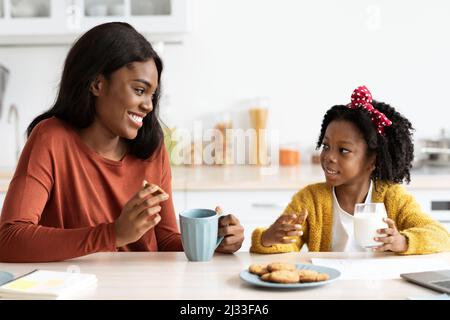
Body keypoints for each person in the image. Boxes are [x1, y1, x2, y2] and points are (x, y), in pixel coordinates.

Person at [0, 22, 244, 262]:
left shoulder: (151, 145)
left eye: (152, 95)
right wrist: (112, 234)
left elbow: (165, 242)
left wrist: (214, 240)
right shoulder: (50, 138)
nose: (148, 105)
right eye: (139, 90)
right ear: (97, 84)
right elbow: (9, 239)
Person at [251, 85, 450, 255]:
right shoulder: (310, 200)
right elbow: (286, 245)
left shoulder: (393, 198)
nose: (329, 156)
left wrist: (403, 241)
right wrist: (268, 238)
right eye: (326, 146)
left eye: (343, 150)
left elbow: (441, 236)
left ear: (373, 160)